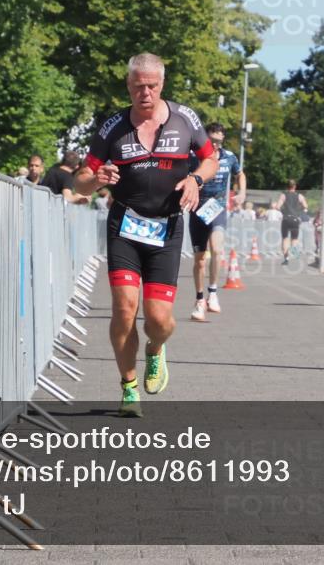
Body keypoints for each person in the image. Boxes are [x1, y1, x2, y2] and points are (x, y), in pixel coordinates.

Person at [74, 53, 217, 417]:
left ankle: (155, 348)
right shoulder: (112, 128)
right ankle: (129, 387)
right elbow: (81, 182)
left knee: (159, 320)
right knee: (124, 308)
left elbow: (211, 160)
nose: (146, 93)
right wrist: (96, 179)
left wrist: (195, 179)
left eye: (152, 86)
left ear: (162, 84)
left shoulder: (185, 119)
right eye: (138, 86)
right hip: (124, 226)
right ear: (129, 86)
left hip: (166, 228)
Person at [188, 122, 245, 322]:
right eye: (211, 140)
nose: (215, 145)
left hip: (217, 207)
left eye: (219, 141)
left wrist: (241, 192)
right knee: (200, 260)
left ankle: (212, 292)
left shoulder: (229, 157)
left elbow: (240, 174)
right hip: (197, 208)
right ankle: (199, 299)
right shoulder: (193, 156)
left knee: (218, 249)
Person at [275, 179, 308, 265]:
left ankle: (286, 258)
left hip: (286, 218)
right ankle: (294, 251)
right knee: (294, 239)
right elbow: (305, 206)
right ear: (295, 186)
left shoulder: (284, 195)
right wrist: (299, 213)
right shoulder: (299, 196)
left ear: (287, 186)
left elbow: (277, 206)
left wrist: (283, 211)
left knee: (285, 239)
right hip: (295, 219)